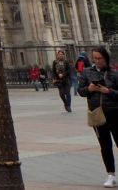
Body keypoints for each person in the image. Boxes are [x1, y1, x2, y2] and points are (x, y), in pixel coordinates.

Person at [80, 46, 118, 187]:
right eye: (95, 58)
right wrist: (89, 89)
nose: (97, 61)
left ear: (106, 58)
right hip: (97, 114)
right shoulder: (86, 72)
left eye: (99, 58)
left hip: (114, 113)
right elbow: (81, 91)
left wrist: (108, 91)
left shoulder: (114, 73)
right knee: (105, 145)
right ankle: (110, 175)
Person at [51, 48, 74, 112]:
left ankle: (68, 106)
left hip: (66, 80)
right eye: (59, 54)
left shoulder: (66, 62)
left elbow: (69, 70)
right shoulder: (55, 62)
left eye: (62, 54)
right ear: (57, 55)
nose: (61, 55)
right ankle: (66, 103)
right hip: (59, 81)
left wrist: (63, 74)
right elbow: (53, 71)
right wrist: (54, 78)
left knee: (67, 93)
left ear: (64, 55)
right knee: (61, 94)